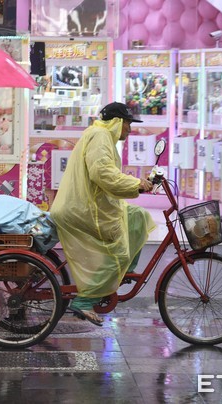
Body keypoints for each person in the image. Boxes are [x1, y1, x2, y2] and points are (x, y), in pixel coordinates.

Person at [50, 102, 156, 326]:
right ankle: (85, 301)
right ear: (117, 122)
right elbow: (103, 173)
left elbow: (104, 172)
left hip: (85, 204)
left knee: (138, 216)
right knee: (119, 252)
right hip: (83, 208)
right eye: (127, 123)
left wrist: (134, 183)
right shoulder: (100, 136)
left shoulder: (100, 135)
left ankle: (118, 274)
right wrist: (136, 183)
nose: (129, 129)